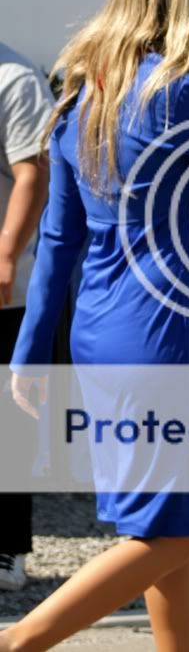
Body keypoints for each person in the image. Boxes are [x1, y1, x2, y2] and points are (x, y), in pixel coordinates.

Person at [1, 0, 189, 652]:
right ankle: (18, 641)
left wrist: (30, 353)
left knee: (164, 525)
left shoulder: (82, 93)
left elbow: (58, 243)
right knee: (166, 535)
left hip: (101, 331)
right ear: (187, 12)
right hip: (162, 335)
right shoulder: (184, 93)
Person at [0, 41, 53, 592]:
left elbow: (33, 175)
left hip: (5, 295)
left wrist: (6, 254)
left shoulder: (14, 79)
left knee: (6, 425)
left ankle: (7, 546)